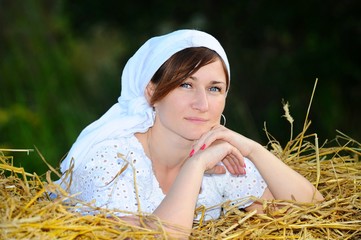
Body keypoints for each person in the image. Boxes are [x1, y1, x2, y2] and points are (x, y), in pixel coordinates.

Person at [56, 29, 323, 235]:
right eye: (185, 84)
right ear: (152, 92)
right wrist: (194, 168)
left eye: (214, 88)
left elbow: (313, 212)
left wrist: (252, 149)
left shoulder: (220, 158)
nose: (202, 104)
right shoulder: (113, 160)